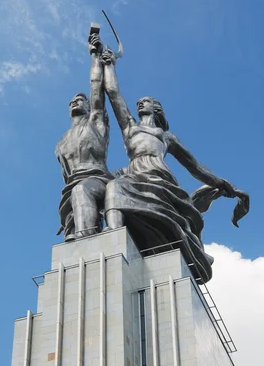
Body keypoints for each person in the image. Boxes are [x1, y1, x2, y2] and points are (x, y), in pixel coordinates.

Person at [101, 47, 249, 283]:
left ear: (156, 109)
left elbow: (195, 167)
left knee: (178, 221)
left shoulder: (166, 136)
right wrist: (108, 65)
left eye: (145, 102)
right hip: (134, 175)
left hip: (160, 179)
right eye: (138, 102)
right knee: (114, 188)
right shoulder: (129, 127)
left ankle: (191, 247)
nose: (140, 104)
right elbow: (113, 93)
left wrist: (222, 184)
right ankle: (113, 237)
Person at [55, 32, 112, 241]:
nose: (74, 102)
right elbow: (65, 174)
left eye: (80, 99)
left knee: (81, 191)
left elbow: (96, 86)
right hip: (71, 188)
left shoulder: (95, 123)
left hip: (97, 179)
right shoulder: (61, 143)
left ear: (89, 106)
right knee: (76, 193)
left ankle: (86, 244)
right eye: (71, 101)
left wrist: (95, 56)